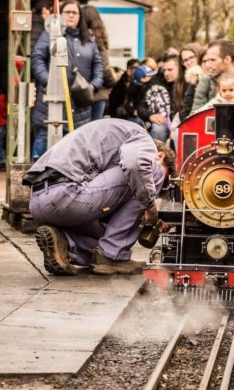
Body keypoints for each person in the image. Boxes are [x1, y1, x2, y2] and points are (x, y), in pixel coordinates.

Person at [25, 118, 175, 276]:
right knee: (151, 173)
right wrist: (150, 206)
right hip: (65, 193)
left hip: (39, 202)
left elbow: (109, 198)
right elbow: (135, 164)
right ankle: (113, 256)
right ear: (160, 156)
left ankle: (64, 242)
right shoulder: (142, 139)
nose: (156, 190)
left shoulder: (119, 139)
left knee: (102, 244)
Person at [30, 0, 103, 160]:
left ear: (80, 16)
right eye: (67, 12)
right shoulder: (50, 34)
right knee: (44, 136)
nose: (71, 15)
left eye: (74, 12)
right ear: (60, 15)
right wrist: (48, 82)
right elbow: (37, 58)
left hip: (79, 101)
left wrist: (93, 86)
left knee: (76, 142)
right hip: (52, 99)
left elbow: (98, 65)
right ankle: (36, 172)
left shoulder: (89, 38)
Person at [182, 38, 234, 118]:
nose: (207, 65)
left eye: (212, 60)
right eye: (206, 61)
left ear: (227, 60)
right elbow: (196, 115)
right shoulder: (206, 80)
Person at [81, 5, 117, 121]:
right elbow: (105, 69)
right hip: (97, 94)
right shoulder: (98, 41)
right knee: (93, 128)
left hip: (80, 92)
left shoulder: (77, 40)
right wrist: (114, 80)